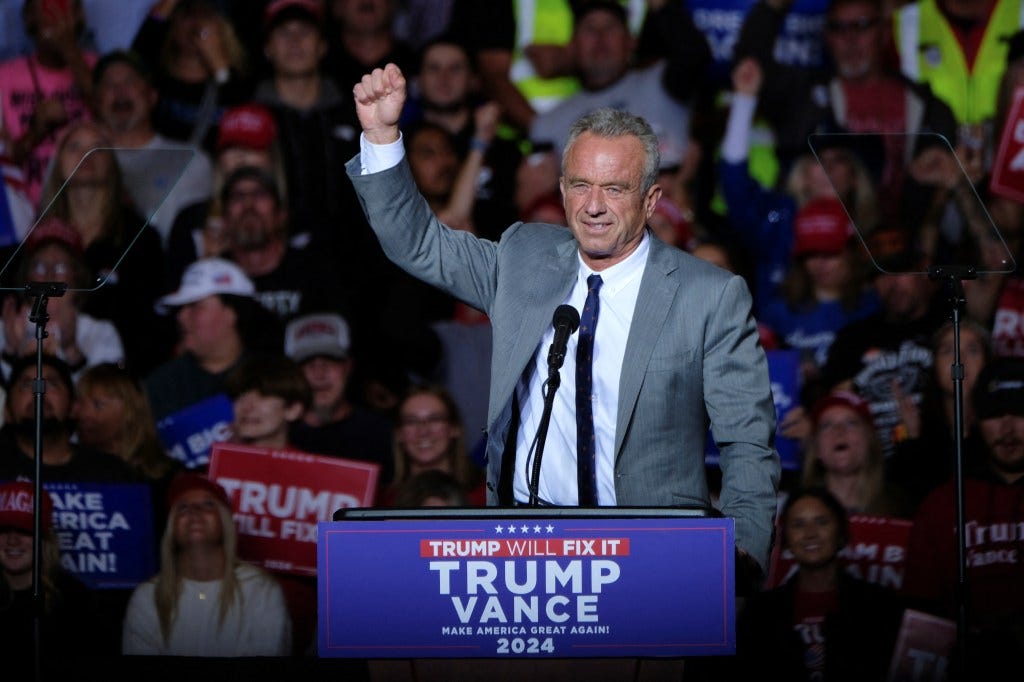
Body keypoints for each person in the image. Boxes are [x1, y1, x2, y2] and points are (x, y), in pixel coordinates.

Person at [349, 64, 780, 576]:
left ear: (651, 200)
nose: (594, 206)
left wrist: (744, 547)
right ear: (561, 188)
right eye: (580, 185)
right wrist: (380, 136)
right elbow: (418, 244)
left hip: (647, 559)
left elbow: (747, 439)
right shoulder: (522, 256)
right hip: (519, 557)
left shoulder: (709, 296)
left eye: (615, 189)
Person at [903, 357, 1024, 673]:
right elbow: (920, 616)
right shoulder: (943, 504)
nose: (1008, 428)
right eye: (995, 414)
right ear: (974, 419)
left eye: (1020, 413)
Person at [37, 119, 171, 376]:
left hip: (120, 379)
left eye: (98, 148)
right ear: (57, 164)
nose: (87, 155)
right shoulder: (39, 238)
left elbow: (153, 330)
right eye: (75, 146)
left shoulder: (140, 239)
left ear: (112, 164)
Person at [735, 486, 906, 681]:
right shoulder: (760, 613)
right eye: (798, 524)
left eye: (822, 522)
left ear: (841, 532)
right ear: (787, 540)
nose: (810, 533)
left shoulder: (881, 606)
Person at [121, 472, 292, 656]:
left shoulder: (261, 590)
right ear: (172, 527)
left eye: (208, 504)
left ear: (224, 521)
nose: (194, 511)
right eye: (183, 507)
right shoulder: (148, 596)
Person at [92, 48, 214, 246]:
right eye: (109, 84)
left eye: (130, 82)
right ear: (95, 102)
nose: (120, 91)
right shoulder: (81, 162)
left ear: (152, 96)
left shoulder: (191, 161)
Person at [144, 257, 283, 424]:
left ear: (232, 313)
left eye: (195, 306)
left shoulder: (272, 381)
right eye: (180, 308)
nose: (181, 316)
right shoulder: (160, 386)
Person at [0, 480, 114, 672]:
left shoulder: (75, 601)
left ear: (45, 539)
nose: (12, 540)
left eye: (24, 530)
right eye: (3, 530)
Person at [0, 216, 124, 383]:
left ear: (77, 276)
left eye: (60, 267)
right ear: (26, 277)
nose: (49, 275)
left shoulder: (101, 333)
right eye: (39, 266)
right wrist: (11, 351)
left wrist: (71, 351)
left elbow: (109, 398)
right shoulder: (6, 330)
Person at [0, 0, 97, 205]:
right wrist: (35, 132)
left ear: (78, 14)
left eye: (63, 5)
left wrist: (70, 50)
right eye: (46, 5)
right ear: (30, 16)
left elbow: (116, 125)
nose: (55, 14)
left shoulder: (98, 68)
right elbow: (4, 163)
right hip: (28, 214)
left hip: (89, 205)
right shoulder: (4, 77)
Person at [283, 311, 394, 483]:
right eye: (307, 363)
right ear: (292, 373)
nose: (319, 373)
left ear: (348, 367)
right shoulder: (277, 435)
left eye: (330, 360)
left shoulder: (381, 435)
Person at [129, 0, 252, 153]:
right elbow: (132, 62)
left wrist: (218, 63)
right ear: (173, 22)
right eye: (188, 14)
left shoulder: (237, 79)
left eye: (205, 16)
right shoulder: (154, 73)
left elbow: (242, 113)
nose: (196, 25)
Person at [0, 353, 139, 484]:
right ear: (7, 411)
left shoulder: (113, 475)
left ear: (73, 407)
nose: (38, 392)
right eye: (26, 385)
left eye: (52, 383)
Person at [73, 361, 182, 516]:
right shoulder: (71, 471)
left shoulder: (168, 479)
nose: (83, 414)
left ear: (130, 412)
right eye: (79, 403)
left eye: (97, 405)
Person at [801, 389, 912, 518]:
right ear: (817, 449)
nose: (839, 431)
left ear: (869, 441)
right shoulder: (790, 509)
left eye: (851, 423)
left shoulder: (899, 507)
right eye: (827, 425)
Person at [381, 384, 485, 507]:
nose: (423, 431)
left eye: (435, 419)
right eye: (411, 421)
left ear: (454, 428)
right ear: (399, 433)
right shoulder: (379, 501)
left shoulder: (487, 497)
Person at [224, 353, 311, 450]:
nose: (247, 407)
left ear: (293, 410)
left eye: (263, 396)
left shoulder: (305, 464)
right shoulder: (216, 461)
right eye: (240, 397)